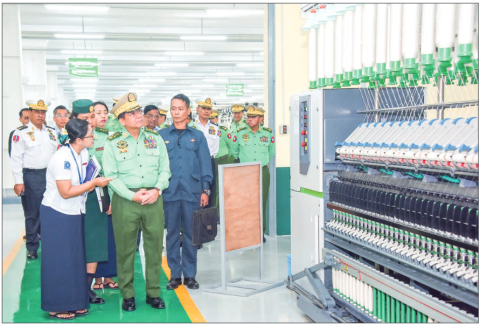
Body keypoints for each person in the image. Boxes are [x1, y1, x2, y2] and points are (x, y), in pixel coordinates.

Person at [102, 92, 171, 312]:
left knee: (153, 248)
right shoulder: (113, 143)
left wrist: (157, 189)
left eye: (138, 111)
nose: (138, 115)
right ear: (121, 120)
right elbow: (111, 176)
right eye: (132, 113)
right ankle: (128, 294)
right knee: (125, 250)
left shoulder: (155, 138)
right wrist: (132, 195)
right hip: (126, 200)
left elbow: (165, 169)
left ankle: (153, 293)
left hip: (153, 198)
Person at [40, 118, 111, 320]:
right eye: (90, 135)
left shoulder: (83, 154)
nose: (93, 137)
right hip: (57, 213)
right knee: (59, 261)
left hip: (74, 211)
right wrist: (94, 184)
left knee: (74, 259)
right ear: (79, 139)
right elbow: (65, 191)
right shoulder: (63, 158)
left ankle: (75, 301)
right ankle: (56, 305)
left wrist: (93, 180)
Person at [159, 94, 213, 290]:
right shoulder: (162, 136)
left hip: (192, 192)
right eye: (173, 108)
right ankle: (174, 275)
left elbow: (205, 164)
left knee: (192, 235)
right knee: (171, 233)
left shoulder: (197, 136)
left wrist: (205, 189)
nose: (176, 112)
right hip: (169, 192)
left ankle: (190, 275)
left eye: (180, 108)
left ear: (188, 110)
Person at [68, 99, 108, 305]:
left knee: (94, 243)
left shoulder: (102, 137)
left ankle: (87, 288)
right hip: (72, 197)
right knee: (74, 244)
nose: (90, 124)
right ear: (74, 120)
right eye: (84, 119)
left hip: (95, 197)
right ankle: (74, 286)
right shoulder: (64, 140)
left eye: (92, 118)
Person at [10, 100, 58, 260]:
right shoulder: (21, 133)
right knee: (33, 213)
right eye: (37, 112)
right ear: (29, 113)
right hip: (32, 176)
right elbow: (16, 158)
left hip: (50, 176)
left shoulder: (51, 132)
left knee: (51, 210)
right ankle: (32, 247)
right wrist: (18, 180)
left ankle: (51, 244)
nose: (40, 115)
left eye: (43, 112)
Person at [231, 105, 275, 242]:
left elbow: (271, 152)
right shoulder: (240, 133)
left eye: (253, 117)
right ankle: (246, 231)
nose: (249, 119)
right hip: (245, 172)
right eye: (248, 117)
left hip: (262, 171)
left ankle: (259, 233)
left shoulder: (268, 134)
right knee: (246, 203)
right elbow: (234, 152)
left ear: (261, 118)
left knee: (261, 203)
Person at [92, 101, 119, 292]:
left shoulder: (111, 137)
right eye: (97, 113)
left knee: (110, 234)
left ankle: (108, 276)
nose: (103, 116)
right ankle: (96, 277)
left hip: (108, 188)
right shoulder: (83, 137)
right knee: (95, 235)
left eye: (105, 113)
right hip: (89, 190)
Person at [194, 98, 220, 208]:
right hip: (194, 162)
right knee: (195, 190)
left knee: (210, 191)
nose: (206, 111)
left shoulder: (214, 128)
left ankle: (208, 220)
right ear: (197, 109)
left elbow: (215, 148)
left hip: (209, 162)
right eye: (203, 108)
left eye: (208, 109)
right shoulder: (191, 126)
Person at [209, 109, 234, 210]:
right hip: (210, 161)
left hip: (222, 160)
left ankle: (219, 212)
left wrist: (230, 160)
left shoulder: (223, 131)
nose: (212, 120)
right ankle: (211, 211)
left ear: (217, 119)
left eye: (213, 118)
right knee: (211, 188)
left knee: (221, 188)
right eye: (210, 118)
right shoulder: (204, 131)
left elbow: (232, 145)